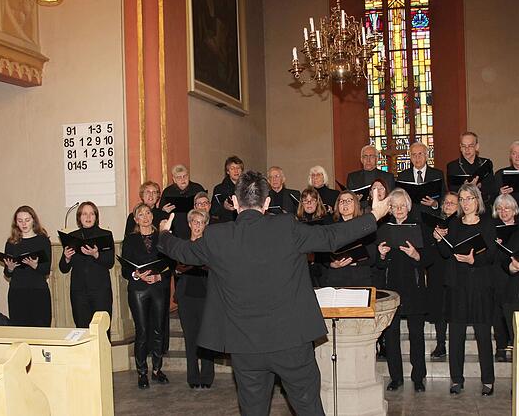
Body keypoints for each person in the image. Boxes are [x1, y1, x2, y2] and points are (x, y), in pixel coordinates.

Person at [159, 170, 390, 416]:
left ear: (236, 203)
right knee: (309, 408)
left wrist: (163, 233)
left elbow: (183, 251)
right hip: (291, 342)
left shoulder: (218, 236)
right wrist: (374, 214)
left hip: (245, 346)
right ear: (267, 202)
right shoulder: (287, 227)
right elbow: (332, 237)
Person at [434, 184, 497, 396]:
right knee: (456, 334)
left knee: (482, 335)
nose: (465, 203)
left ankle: (488, 380)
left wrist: (474, 259)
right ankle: (456, 379)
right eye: (462, 199)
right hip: (457, 284)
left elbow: (491, 254)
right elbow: (445, 252)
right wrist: (439, 240)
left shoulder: (488, 223)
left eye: (469, 198)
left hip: (479, 284)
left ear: (477, 200)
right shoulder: (454, 223)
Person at [377, 188, 430, 392]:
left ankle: (418, 378)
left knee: (417, 335)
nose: (398, 209)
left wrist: (416, 255)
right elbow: (379, 265)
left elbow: (429, 258)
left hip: (414, 288)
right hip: (392, 289)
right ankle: (396, 377)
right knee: (391, 336)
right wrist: (381, 255)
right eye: (394, 206)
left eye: (402, 205)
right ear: (389, 208)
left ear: (408, 207)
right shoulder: (383, 229)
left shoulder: (419, 227)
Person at [121, 203, 169, 389]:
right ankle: (142, 372)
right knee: (141, 331)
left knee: (158, 329)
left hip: (157, 287)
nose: (146, 216)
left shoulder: (162, 237)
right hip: (138, 288)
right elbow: (125, 268)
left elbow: (170, 263)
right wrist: (136, 274)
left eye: (148, 213)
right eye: (141, 214)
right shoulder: (130, 240)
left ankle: (157, 370)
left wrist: (159, 275)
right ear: (136, 219)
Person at [59, 202, 115, 329]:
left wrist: (96, 254)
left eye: (92, 214)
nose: (88, 217)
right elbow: (63, 268)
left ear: (96, 217)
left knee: (102, 329)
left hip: (101, 291)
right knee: (82, 329)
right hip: (79, 292)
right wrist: (66, 258)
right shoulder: (72, 237)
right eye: (84, 214)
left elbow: (110, 262)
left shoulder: (105, 234)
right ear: (79, 217)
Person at [175, 209, 215, 389]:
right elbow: (175, 268)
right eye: (195, 222)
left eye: (201, 222)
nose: (198, 226)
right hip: (186, 297)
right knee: (190, 337)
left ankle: (207, 377)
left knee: (207, 337)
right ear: (189, 224)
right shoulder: (182, 245)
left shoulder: (209, 246)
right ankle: (193, 376)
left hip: (207, 296)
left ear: (205, 225)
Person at [2, 205, 52, 327]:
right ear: (16, 223)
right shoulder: (11, 243)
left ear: (33, 220)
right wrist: (10, 268)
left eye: (27, 220)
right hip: (17, 292)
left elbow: (46, 270)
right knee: (20, 329)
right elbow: (7, 274)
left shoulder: (43, 240)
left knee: (41, 328)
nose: (24, 224)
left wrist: (35, 266)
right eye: (20, 221)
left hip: (38, 291)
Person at [426, 191, 459, 360]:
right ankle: (440, 344)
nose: (447, 205)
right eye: (446, 202)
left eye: (452, 203)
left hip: (454, 269)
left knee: (452, 308)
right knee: (439, 308)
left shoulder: (460, 223)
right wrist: (435, 237)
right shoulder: (436, 222)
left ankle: (454, 345)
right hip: (437, 268)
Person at [322, 191, 378, 287]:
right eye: (341, 201)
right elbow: (322, 253)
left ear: (356, 204)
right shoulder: (330, 226)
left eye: (349, 200)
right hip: (336, 277)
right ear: (337, 206)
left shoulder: (365, 225)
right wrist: (332, 264)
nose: (345, 203)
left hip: (360, 278)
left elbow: (372, 255)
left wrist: (355, 262)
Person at [491, 194, 519, 362]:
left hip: (517, 274)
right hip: (498, 274)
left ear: (514, 210)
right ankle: (500, 346)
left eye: (506, 208)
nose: (503, 212)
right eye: (499, 209)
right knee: (499, 310)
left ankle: (516, 343)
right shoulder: (493, 228)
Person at [445, 132, 497, 204]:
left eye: (470, 146)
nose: (467, 149)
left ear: (477, 147)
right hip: (463, 208)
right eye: (464, 146)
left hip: (483, 206)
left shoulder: (486, 164)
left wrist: (479, 186)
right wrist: (468, 188)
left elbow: (492, 189)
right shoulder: (453, 166)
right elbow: (453, 192)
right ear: (460, 147)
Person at [397, 141, 446, 214]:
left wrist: (435, 204)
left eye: (420, 154)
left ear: (426, 156)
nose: (417, 157)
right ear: (410, 157)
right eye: (414, 154)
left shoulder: (437, 174)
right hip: (410, 217)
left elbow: (444, 196)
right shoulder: (403, 176)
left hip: (430, 216)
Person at [296, 187, 332, 287]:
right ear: (302, 203)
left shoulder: (327, 220)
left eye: (312, 200)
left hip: (323, 267)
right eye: (305, 201)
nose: (309, 203)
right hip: (303, 267)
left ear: (317, 202)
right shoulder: (296, 222)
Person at [160, 164, 206, 239]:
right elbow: (161, 212)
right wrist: (163, 210)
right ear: (174, 179)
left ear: (188, 176)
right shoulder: (168, 192)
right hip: (176, 232)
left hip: (196, 229)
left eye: (185, 176)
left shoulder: (197, 189)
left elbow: (207, 208)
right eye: (179, 177)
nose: (183, 179)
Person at [210, 156, 244, 223]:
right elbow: (213, 211)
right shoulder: (219, 189)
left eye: (238, 168)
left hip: (244, 223)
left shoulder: (248, 188)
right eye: (232, 168)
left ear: (242, 170)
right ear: (227, 171)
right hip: (227, 224)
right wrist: (224, 207)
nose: (236, 171)